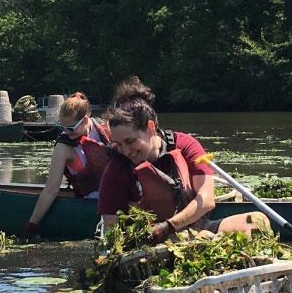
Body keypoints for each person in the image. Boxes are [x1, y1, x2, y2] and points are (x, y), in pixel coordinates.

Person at [96, 78, 259, 242]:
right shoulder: (116, 168)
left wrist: (169, 226)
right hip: (148, 241)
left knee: (258, 220)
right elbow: (110, 228)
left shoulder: (185, 144)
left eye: (131, 141)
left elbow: (207, 200)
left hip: (198, 230)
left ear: (150, 128)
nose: (125, 151)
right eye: (118, 144)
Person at [23, 93, 111, 239]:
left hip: (116, 198)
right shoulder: (63, 147)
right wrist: (31, 225)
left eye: (70, 128)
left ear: (85, 120)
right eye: (62, 127)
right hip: (90, 204)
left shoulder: (104, 128)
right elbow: (51, 190)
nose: (66, 132)